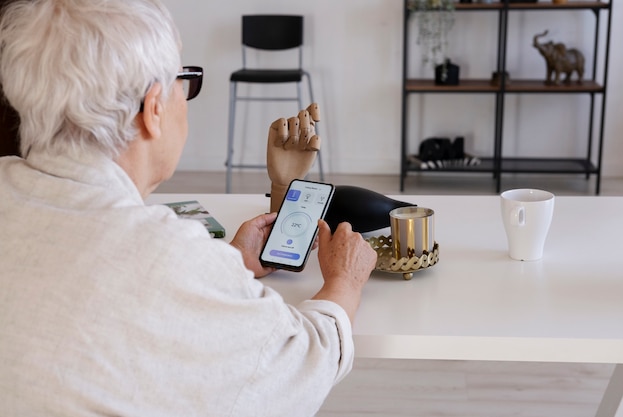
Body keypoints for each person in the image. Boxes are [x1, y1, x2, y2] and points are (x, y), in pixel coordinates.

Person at [0, 1, 377, 416]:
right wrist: (344, 282)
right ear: (154, 107)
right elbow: (296, 370)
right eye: (184, 80)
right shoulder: (164, 253)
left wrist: (225, 262)